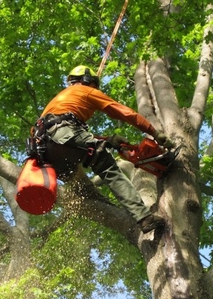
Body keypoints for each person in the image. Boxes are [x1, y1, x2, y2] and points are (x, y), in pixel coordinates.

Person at [32, 65, 172, 234]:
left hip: (46, 153)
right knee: (107, 168)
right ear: (87, 81)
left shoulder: (60, 101)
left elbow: (74, 138)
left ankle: (99, 203)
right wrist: (154, 132)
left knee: (86, 181)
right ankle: (144, 218)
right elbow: (124, 113)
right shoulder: (87, 91)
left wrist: (110, 141)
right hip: (64, 135)